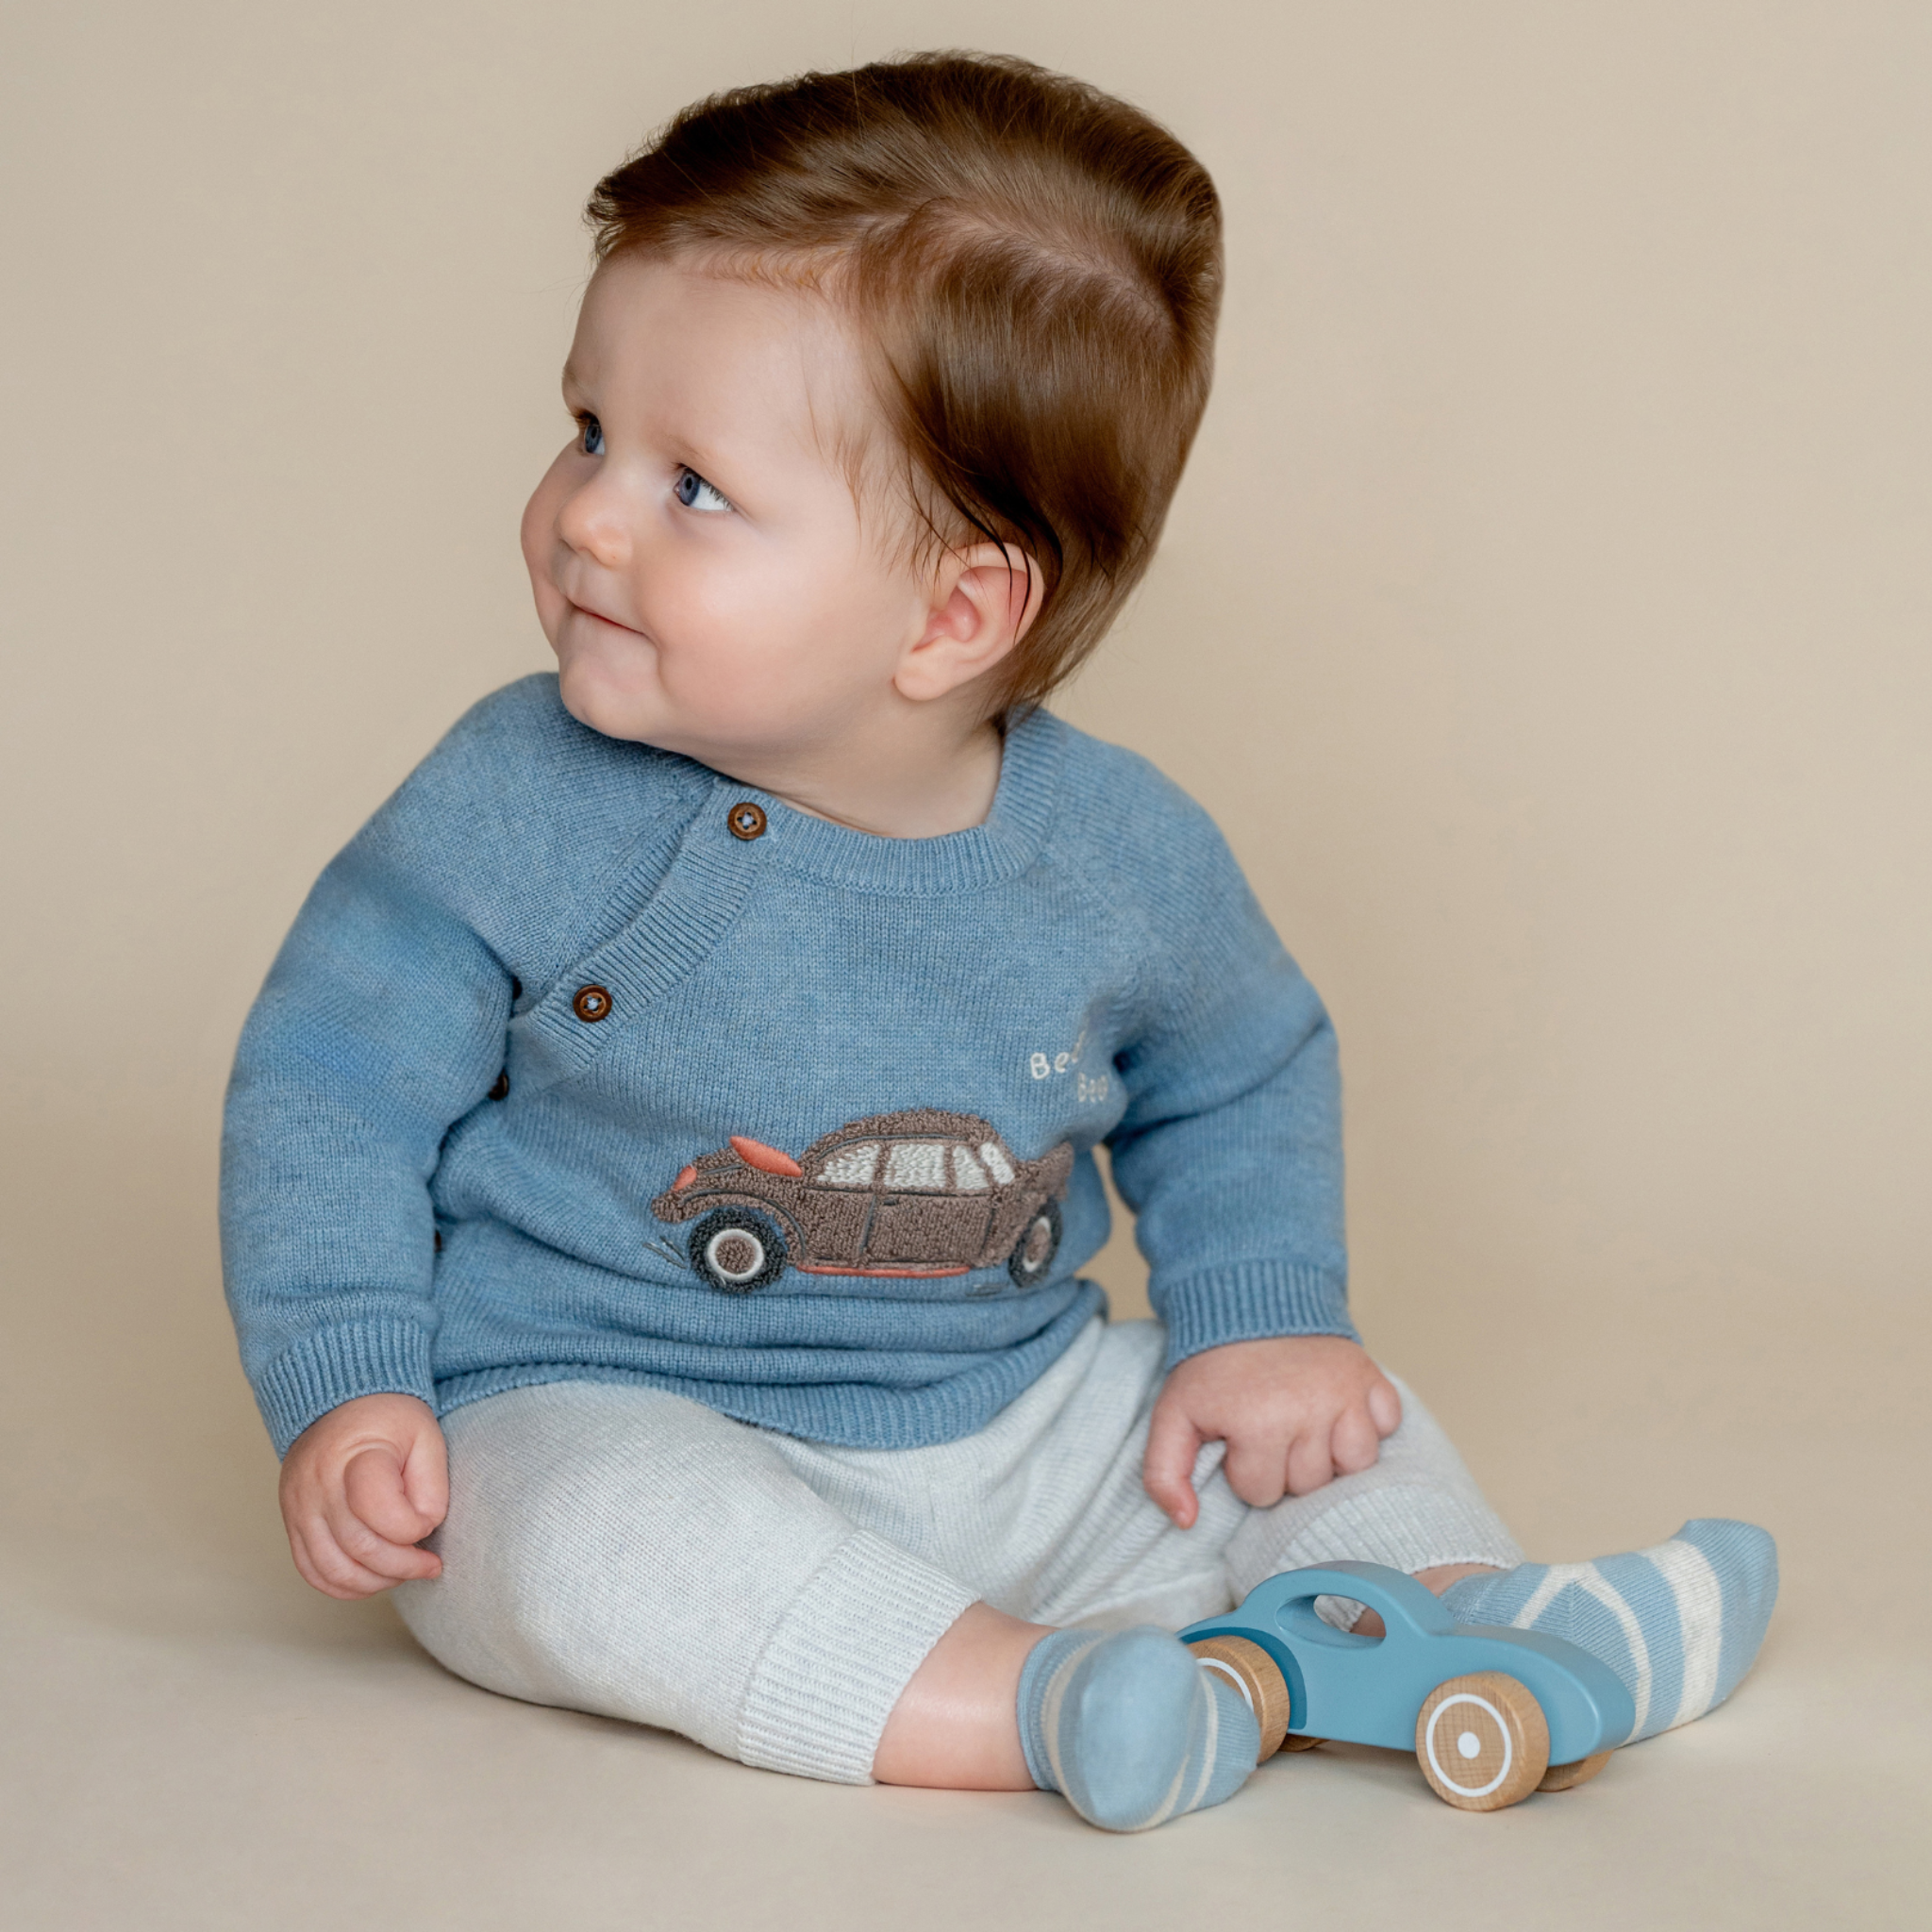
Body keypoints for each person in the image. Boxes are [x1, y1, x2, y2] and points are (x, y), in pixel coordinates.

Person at [221, 52, 1775, 1832]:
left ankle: (1463, 1626)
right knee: (577, 1540)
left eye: (691, 485)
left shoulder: (1116, 855)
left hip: (1016, 1419)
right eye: (588, 432)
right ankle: (1040, 1703)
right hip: (605, 1398)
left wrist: (1266, 1323)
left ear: (955, 611)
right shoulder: (515, 801)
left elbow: (1242, 1065)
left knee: (1319, 1415)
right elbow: (328, 1087)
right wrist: (350, 1384)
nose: (587, 512)